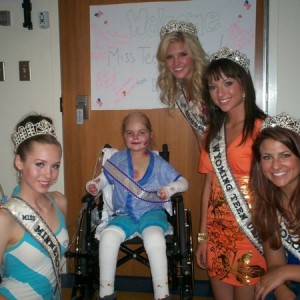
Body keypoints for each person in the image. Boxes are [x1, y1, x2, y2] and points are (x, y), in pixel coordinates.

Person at [86, 111, 188, 300]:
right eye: (129, 132)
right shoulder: (116, 160)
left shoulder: (158, 164)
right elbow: (101, 180)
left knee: (154, 239)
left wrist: (169, 188)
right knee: (108, 237)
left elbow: (183, 182)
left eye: (141, 132)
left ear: (150, 135)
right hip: (123, 214)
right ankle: (106, 293)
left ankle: (161, 294)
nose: (135, 137)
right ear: (123, 136)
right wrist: (93, 185)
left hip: (152, 213)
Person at [194, 47, 267, 300]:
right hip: (217, 234)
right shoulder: (212, 132)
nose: (220, 93)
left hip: (251, 230)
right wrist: (203, 237)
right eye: (213, 87)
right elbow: (208, 187)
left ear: (244, 84)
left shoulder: (263, 129)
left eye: (227, 83)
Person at [0, 114, 69, 299]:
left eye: (55, 166)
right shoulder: (5, 218)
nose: (49, 175)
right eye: (40, 164)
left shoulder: (60, 202)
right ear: (19, 162)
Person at [250, 112, 300, 300]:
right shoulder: (266, 204)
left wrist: (286, 272)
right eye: (267, 157)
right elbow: (275, 265)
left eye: (285, 155)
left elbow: (281, 271)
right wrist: (282, 290)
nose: (276, 166)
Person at [156, 20, 208, 149]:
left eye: (182, 55)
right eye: (170, 57)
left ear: (194, 54)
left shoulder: (211, 82)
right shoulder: (180, 91)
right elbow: (200, 137)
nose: (176, 62)